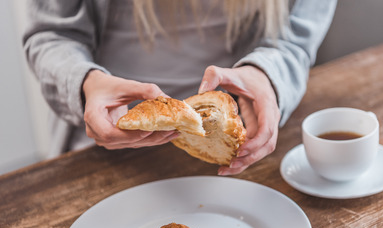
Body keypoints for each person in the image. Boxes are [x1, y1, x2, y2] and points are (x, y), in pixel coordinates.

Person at [23, 0, 336, 175]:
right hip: (101, 151)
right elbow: (50, 36)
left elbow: (295, 38)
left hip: (228, 153)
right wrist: (85, 82)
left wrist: (266, 74)